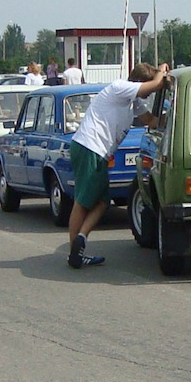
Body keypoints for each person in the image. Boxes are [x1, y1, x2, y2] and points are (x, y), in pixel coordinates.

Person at [65, 61, 173, 269]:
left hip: (97, 151)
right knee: (83, 200)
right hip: (90, 147)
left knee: (103, 201)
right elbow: (154, 86)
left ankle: (80, 240)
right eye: (146, 88)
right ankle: (74, 251)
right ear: (140, 82)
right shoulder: (120, 87)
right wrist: (161, 71)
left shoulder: (133, 102)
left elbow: (152, 121)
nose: (148, 95)